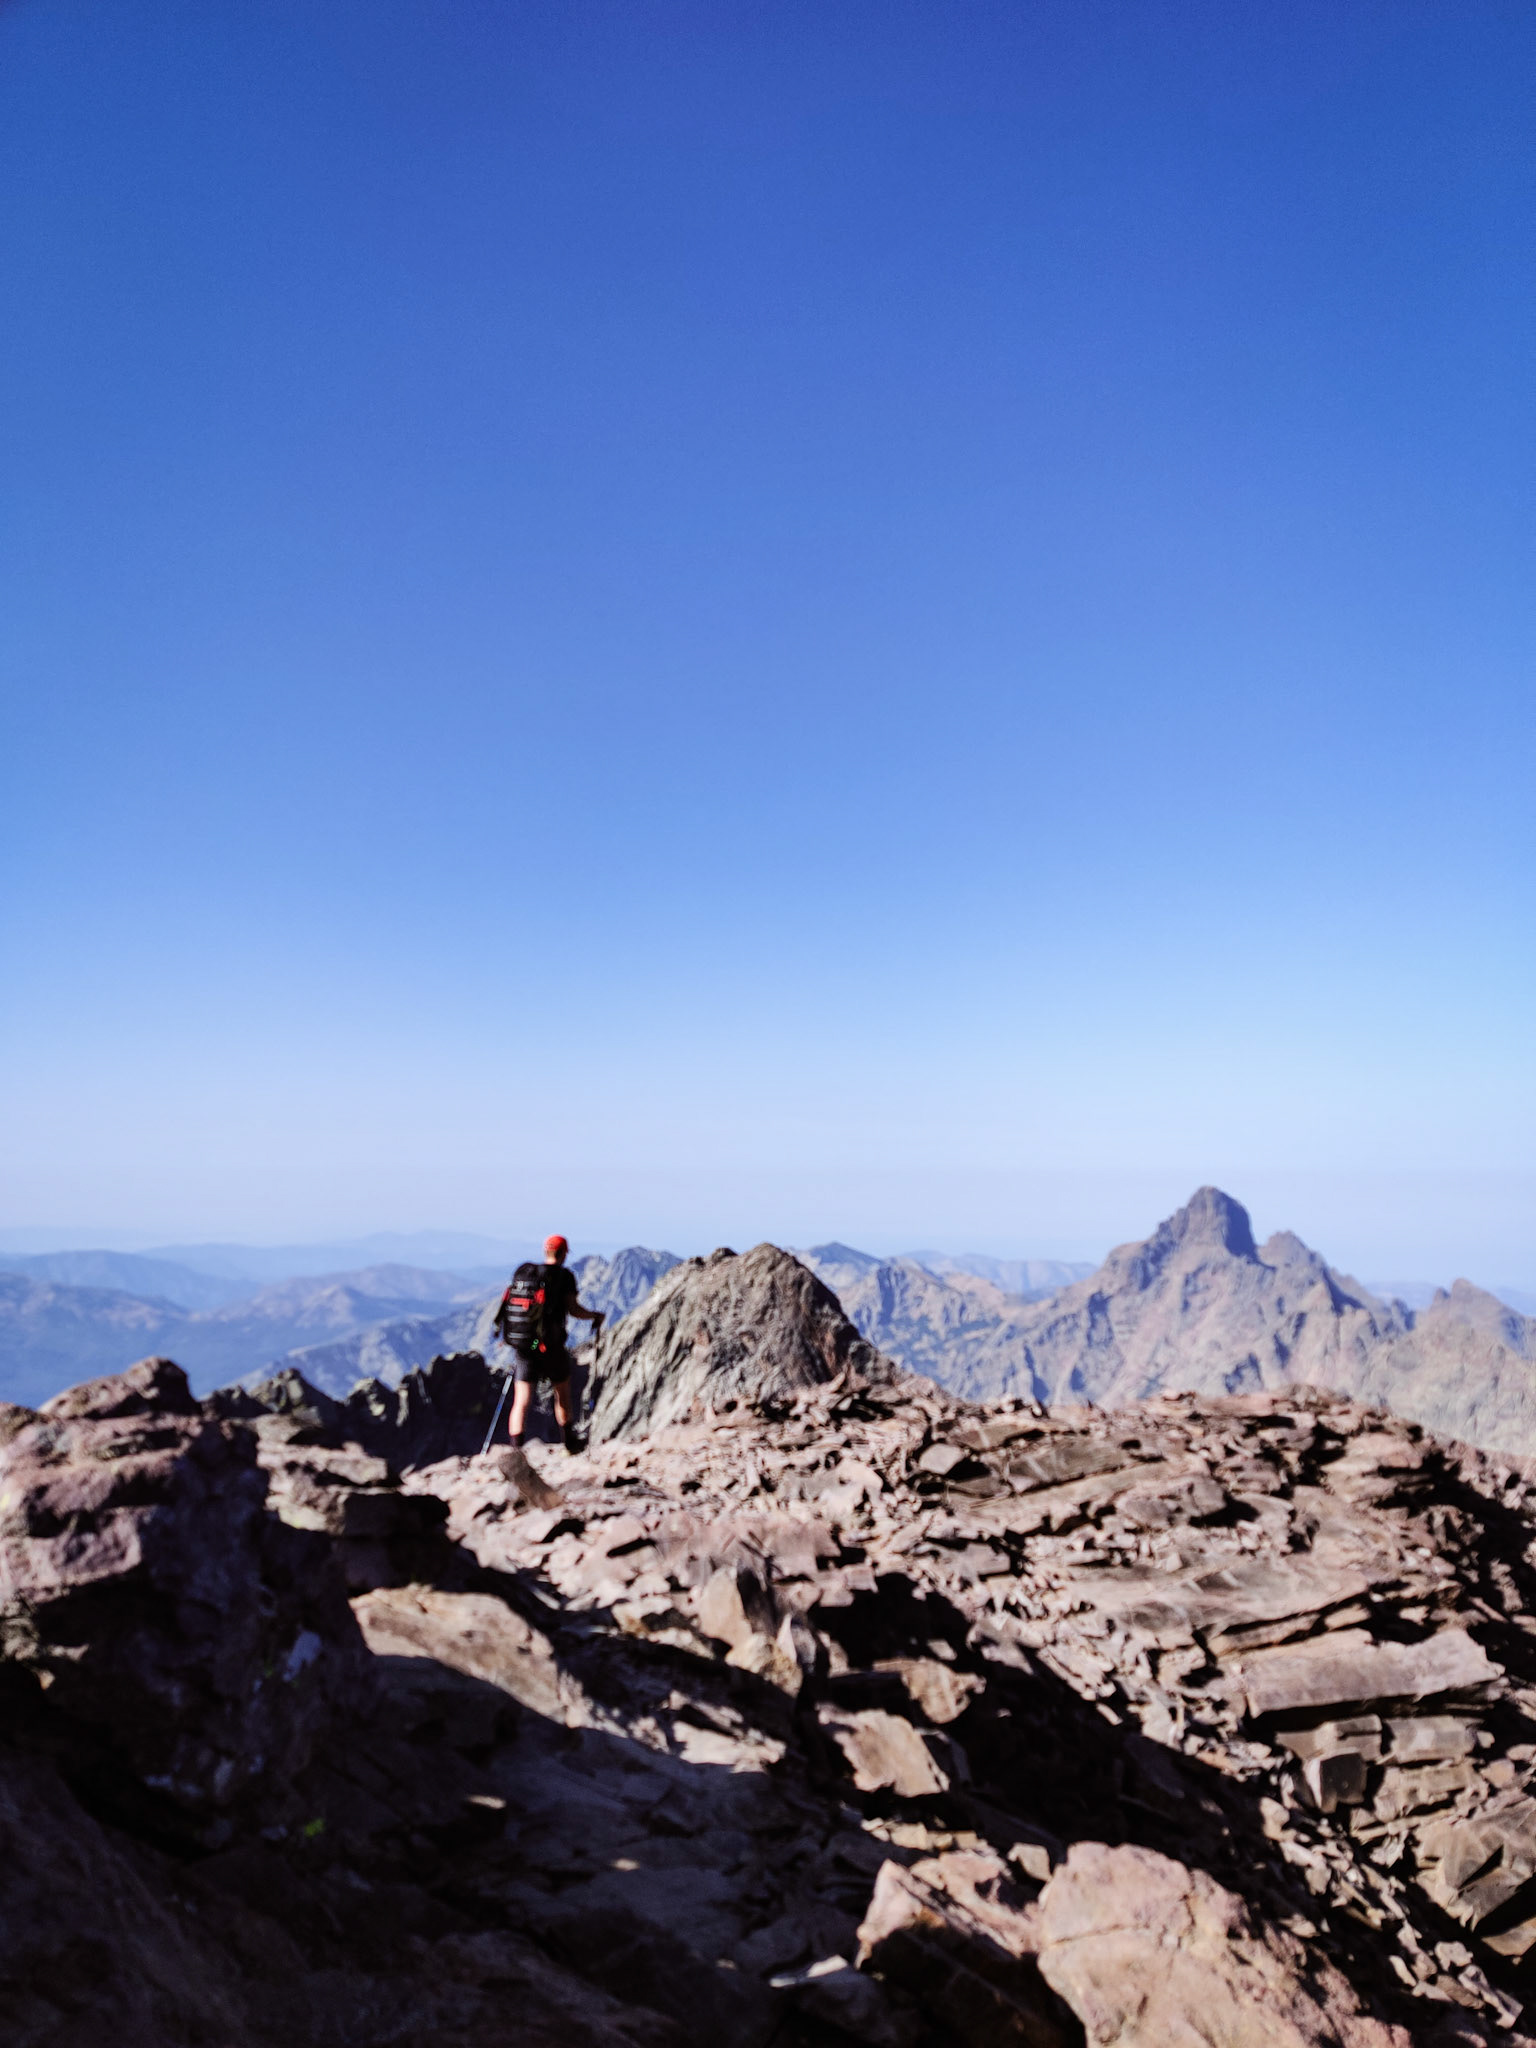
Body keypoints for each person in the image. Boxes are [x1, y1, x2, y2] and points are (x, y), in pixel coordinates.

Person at [502, 1234, 603, 1454]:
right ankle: (569, 1442)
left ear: (545, 1251)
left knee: (522, 1400)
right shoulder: (564, 1276)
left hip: (524, 1345)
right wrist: (595, 1316)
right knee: (562, 1392)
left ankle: (515, 1450)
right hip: (551, 1346)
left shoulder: (525, 1273)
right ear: (564, 1253)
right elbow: (574, 1310)